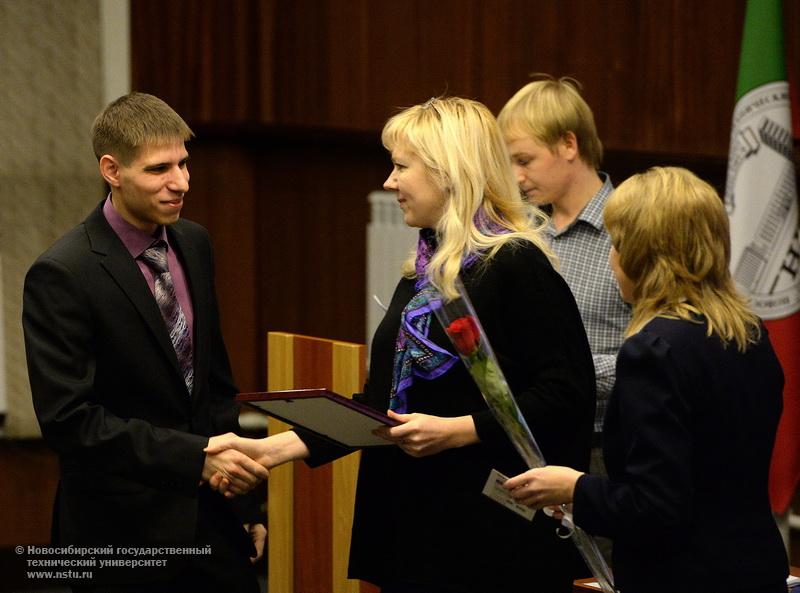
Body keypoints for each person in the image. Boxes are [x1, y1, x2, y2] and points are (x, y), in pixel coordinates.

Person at [207, 97, 596, 593]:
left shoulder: (516, 265)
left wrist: (459, 430)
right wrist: (271, 448)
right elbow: (382, 406)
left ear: (448, 172)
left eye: (400, 166)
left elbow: (567, 395)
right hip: (415, 520)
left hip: (488, 537)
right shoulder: (425, 270)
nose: (389, 182)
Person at [22, 92, 268, 593]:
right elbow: (70, 422)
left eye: (183, 163)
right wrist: (195, 457)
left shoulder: (194, 242)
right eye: (159, 170)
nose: (181, 182)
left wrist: (244, 503)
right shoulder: (63, 272)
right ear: (111, 170)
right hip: (120, 534)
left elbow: (215, 384)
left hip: (214, 521)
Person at [503, 167, 790, 593]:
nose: (611, 257)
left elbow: (655, 507)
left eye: (617, 244)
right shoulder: (749, 333)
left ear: (643, 254)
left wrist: (574, 487)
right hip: (756, 568)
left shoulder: (654, 351)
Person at [497, 77, 630, 481]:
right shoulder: (522, 230)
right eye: (509, 164)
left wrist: (564, 381)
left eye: (525, 160)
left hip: (602, 450)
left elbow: (655, 354)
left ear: (569, 145)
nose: (515, 178)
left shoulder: (629, 229)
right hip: (532, 438)